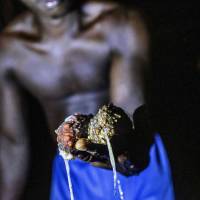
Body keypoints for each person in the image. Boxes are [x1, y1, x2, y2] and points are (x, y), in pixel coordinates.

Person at [0, 0, 174, 199]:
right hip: (72, 168)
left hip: (137, 155)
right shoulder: (10, 50)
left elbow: (131, 116)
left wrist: (124, 155)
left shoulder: (119, 23)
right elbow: (12, 142)